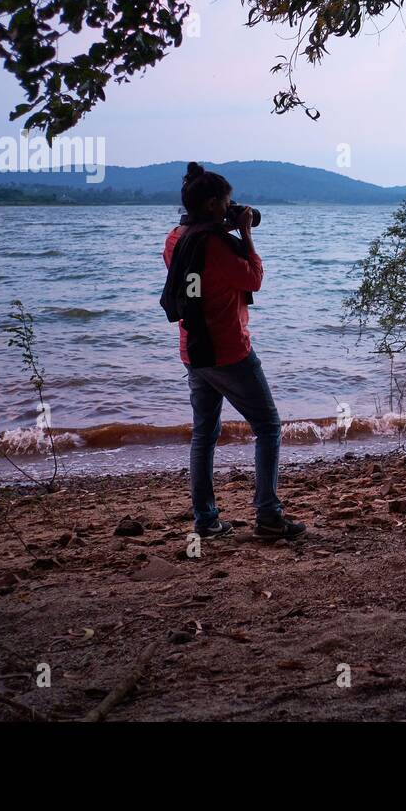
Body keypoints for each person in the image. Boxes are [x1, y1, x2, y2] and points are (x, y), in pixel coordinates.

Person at [161, 162, 305, 540]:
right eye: (226, 203)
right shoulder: (215, 245)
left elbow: (199, 282)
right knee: (269, 427)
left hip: (193, 350)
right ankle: (269, 517)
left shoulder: (176, 237)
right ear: (212, 205)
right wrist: (244, 233)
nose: (231, 208)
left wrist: (225, 226)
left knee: (204, 434)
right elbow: (253, 277)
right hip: (229, 350)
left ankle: (206, 521)